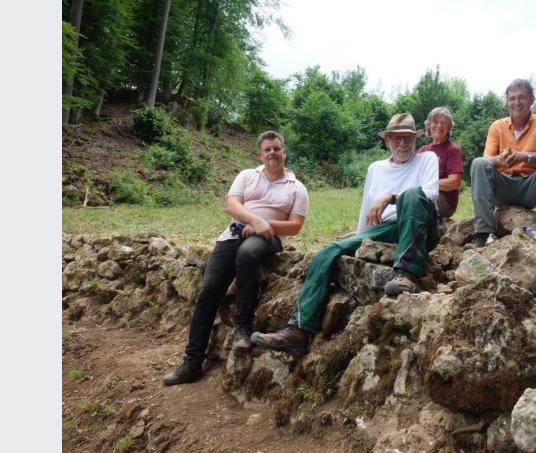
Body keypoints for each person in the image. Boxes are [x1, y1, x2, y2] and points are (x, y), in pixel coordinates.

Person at [250, 113, 440, 358]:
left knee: (413, 194)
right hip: (386, 230)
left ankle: (406, 274)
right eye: (397, 138)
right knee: (327, 252)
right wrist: (359, 241)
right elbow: (366, 211)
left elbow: (431, 194)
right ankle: (297, 330)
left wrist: (391, 197)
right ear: (387, 141)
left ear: (415, 139)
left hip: (420, 224)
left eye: (407, 138)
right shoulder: (376, 168)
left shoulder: (427, 159)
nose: (403, 144)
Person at [163, 131, 310, 386]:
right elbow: (232, 206)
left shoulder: (296, 188)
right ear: (260, 155)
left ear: (284, 152)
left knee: (248, 253)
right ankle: (192, 362)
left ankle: (243, 326)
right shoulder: (247, 176)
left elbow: (295, 226)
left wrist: (264, 227)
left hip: (267, 239)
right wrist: (255, 220)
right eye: (267, 150)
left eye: (277, 148)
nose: (272, 153)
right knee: (208, 292)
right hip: (232, 235)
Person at [465, 79, 536, 248]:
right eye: (512, 98)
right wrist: (500, 159)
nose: (516, 102)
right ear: (507, 101)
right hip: (504, 186)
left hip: (532, 187)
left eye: (522, 97)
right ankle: (483, 233)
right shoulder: (497, 126)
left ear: (532, 100)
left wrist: (524, 156)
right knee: (478, 163)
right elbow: (486, 159)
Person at [418, 107, 464, 219]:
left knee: (414, 200)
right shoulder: (422, 151)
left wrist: (426, 185)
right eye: (435, 122)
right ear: (428, 125)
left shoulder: (453, 150)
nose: (439, 126)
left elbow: (455, 182)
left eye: (443, 123)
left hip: (444, 201)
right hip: (424, 194)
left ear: (449, 127)